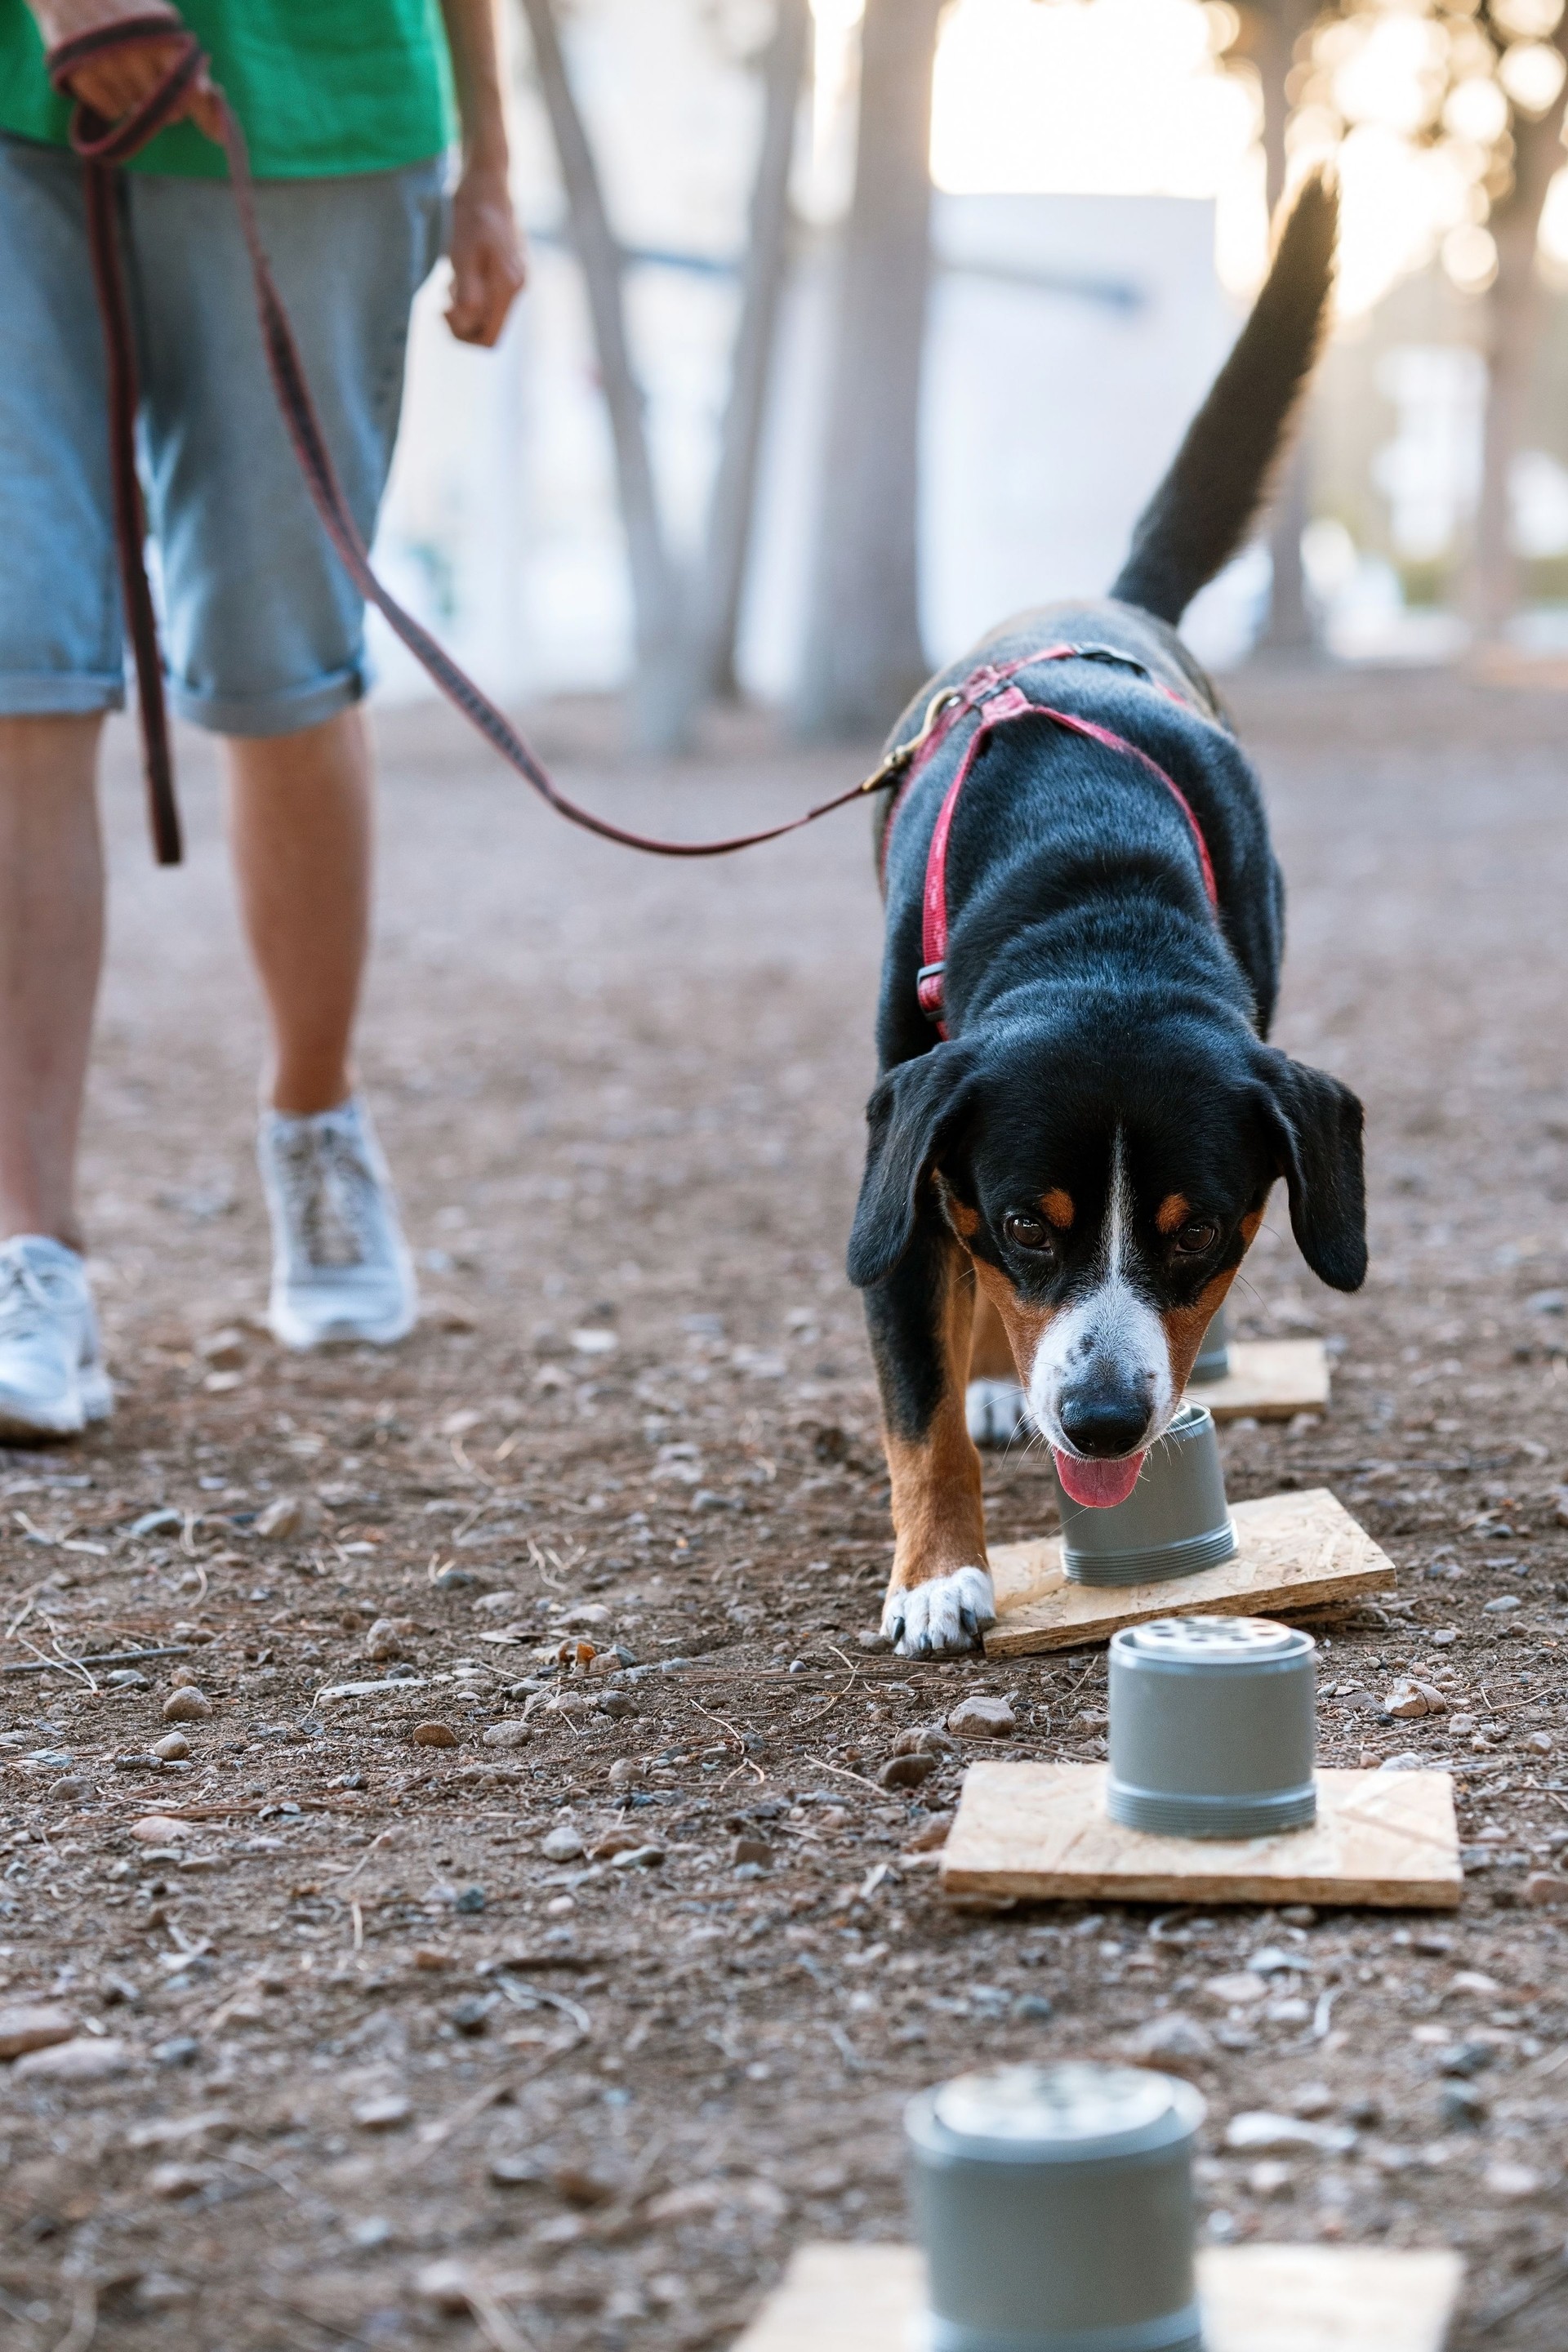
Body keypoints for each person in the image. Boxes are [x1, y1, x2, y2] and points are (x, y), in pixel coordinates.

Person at [0, 0, 527, 1437]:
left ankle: (316, 1121)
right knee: (16, 658)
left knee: (278, 660)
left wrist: (489, 159)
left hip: (321, 98)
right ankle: (28, 1248)